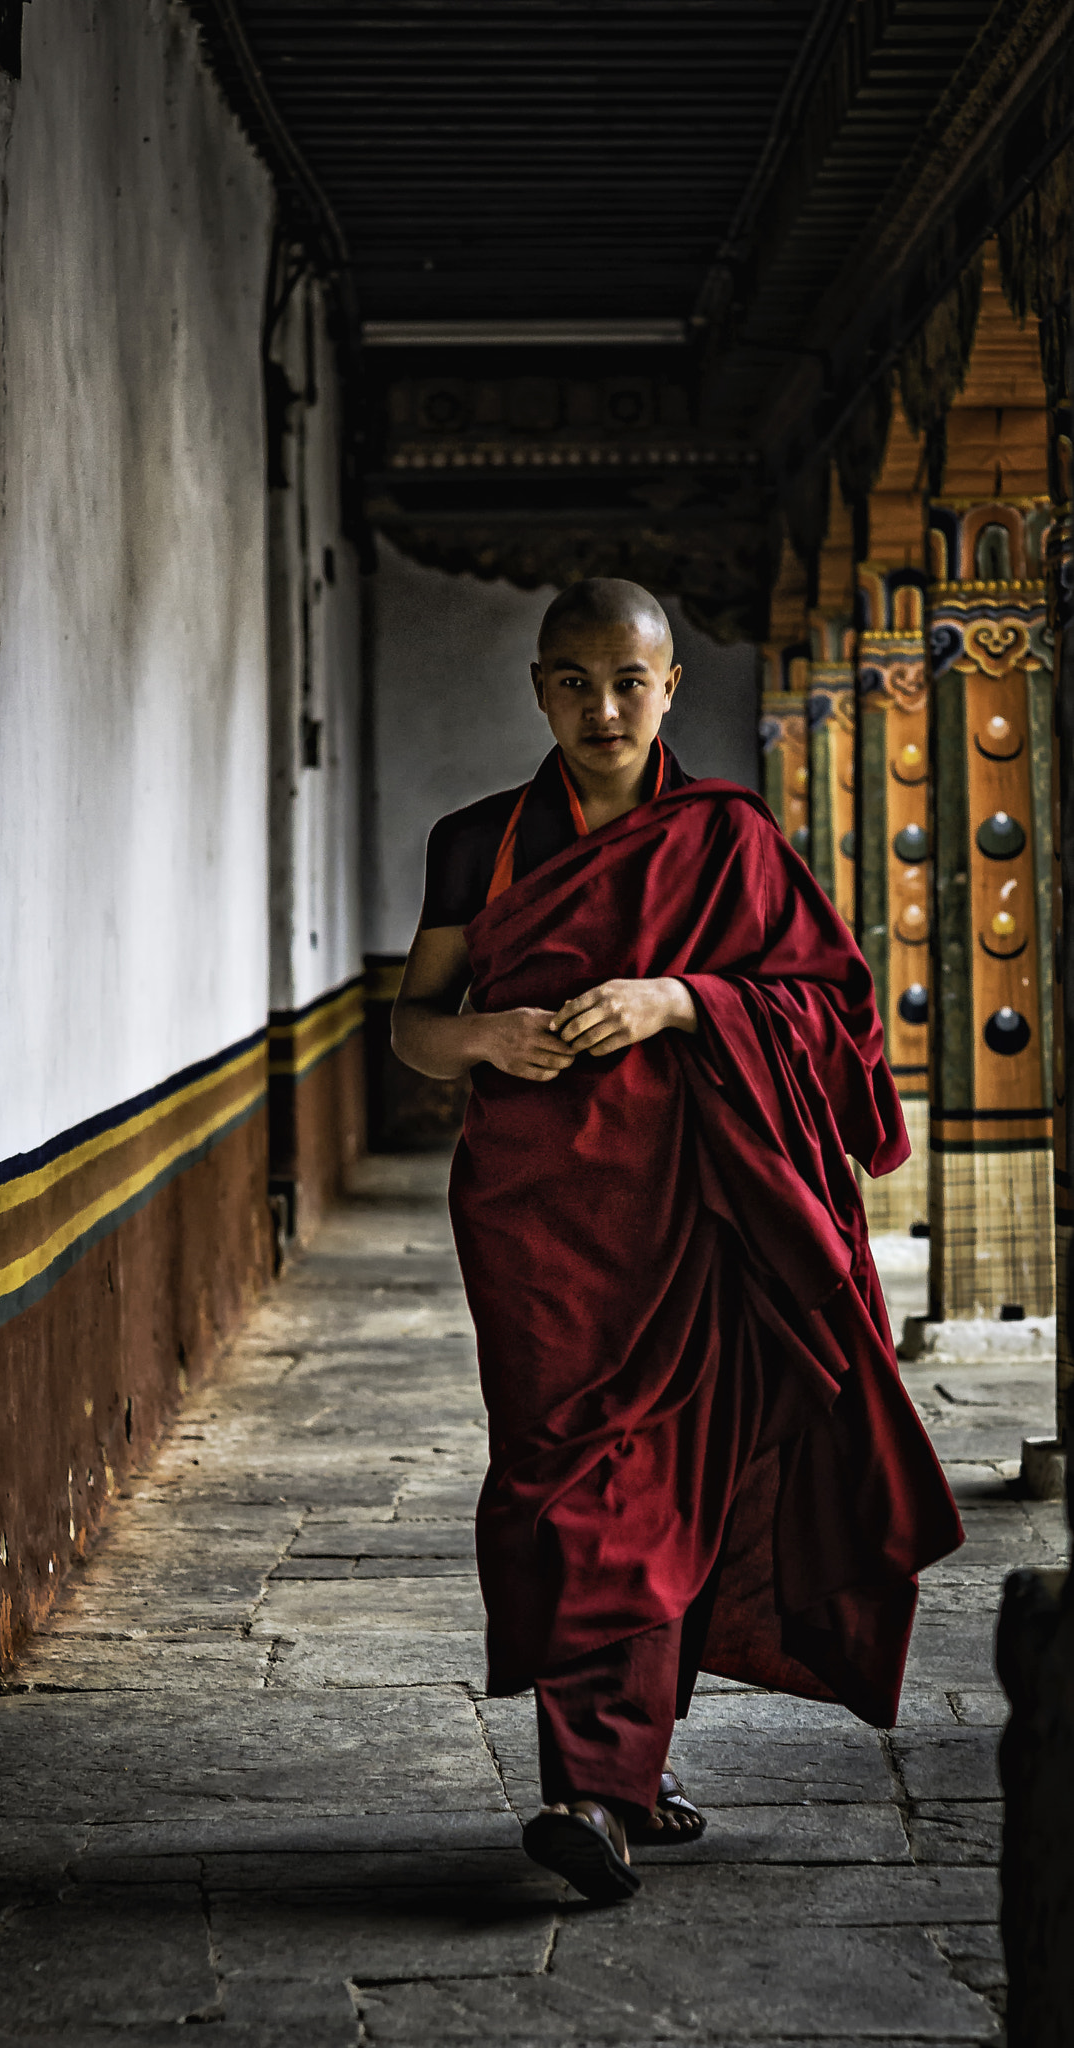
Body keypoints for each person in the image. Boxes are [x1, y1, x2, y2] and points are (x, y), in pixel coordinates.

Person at [391, 577, 963, 1904]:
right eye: (574, 682)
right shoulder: (478, 843)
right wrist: (483, 1035)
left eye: (628, 681)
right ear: (539, 689)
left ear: (669, 687)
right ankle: (614, 1772)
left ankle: (596, 1788)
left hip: (702, 1205)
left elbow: (833, 1013)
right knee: (565, 1486)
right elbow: (417, 1022)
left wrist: (680, 1001)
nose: (603, 708)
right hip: (541, 1222)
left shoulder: (731, 841)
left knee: (670, 1482)